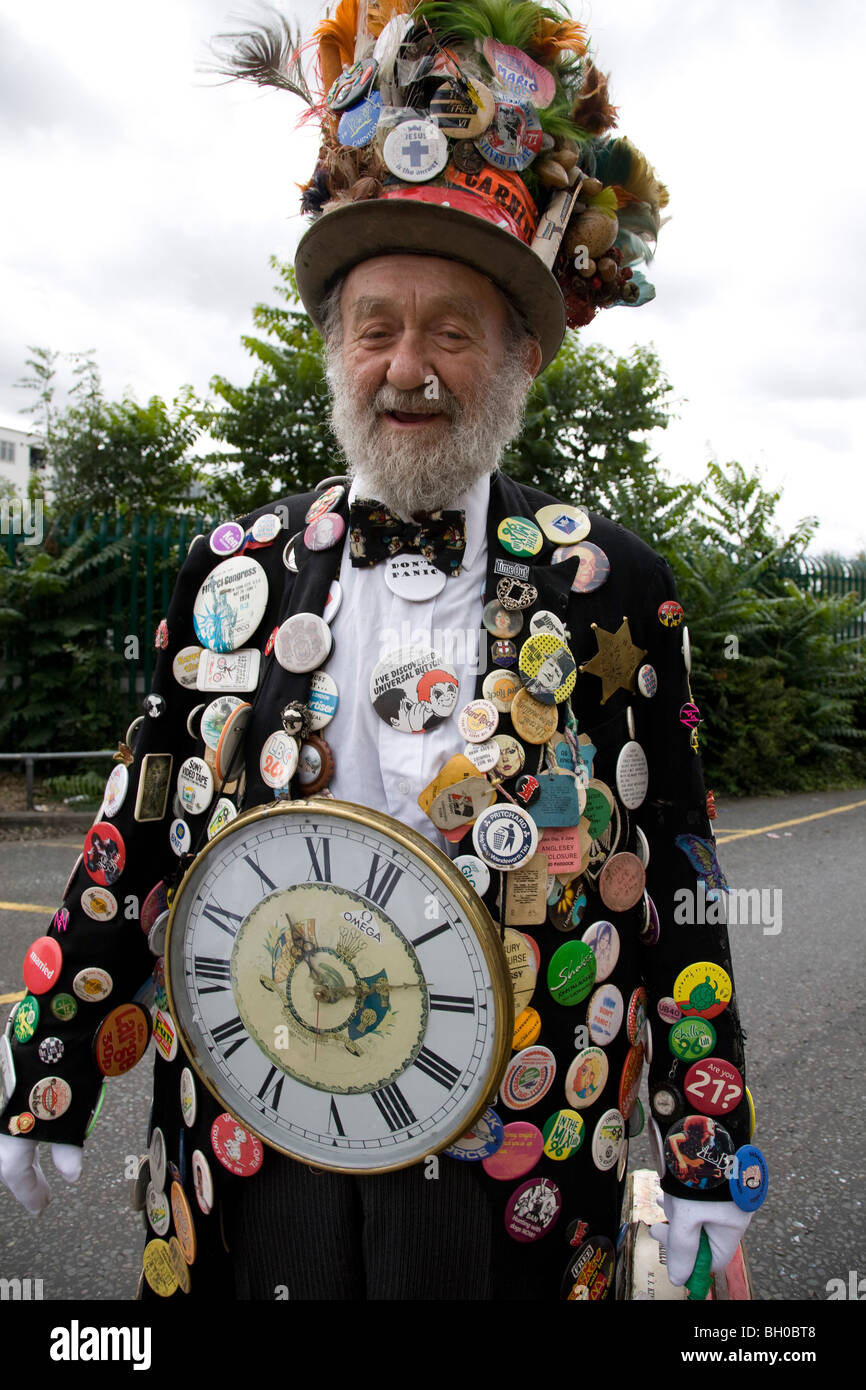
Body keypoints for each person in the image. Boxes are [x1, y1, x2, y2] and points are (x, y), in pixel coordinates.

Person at [0, 0, 761, 1300]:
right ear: (334, 348)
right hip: (251, 1133)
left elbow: (679, 874)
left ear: (519, 356)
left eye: (450, 329)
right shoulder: (231, 569)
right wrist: (50, 1060)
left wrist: (703, 1147)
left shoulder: (613, 586)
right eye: (375, 325)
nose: (407, 364)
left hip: (511, 1155)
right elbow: (134, 832)